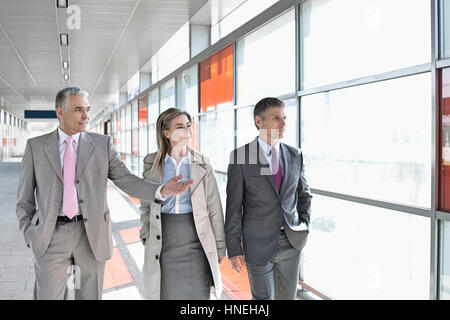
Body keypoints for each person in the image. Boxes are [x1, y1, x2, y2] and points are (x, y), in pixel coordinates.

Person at [16, 87, 193, 300]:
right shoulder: (36, 147)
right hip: (50, 236)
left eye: (87, 109)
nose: (86, 116)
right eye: (78, 109)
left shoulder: (102, 145)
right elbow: (24, 200)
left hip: (91, 235)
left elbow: (126, 180)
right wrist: (30, 234)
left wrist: (161, 189)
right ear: (60, 112)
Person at [225, 97, 312, 300]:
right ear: (259, 121)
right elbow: (234, 206)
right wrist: (234, 247)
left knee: (287, 298)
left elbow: (304, 194)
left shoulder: (295, 154)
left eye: (284, 118)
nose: (283, 124)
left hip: (291, 241)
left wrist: (304, 224)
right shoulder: (240, 157)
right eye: (276, 118)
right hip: (257, 243)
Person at [139, 108, 226, 300]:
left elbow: (214, 209)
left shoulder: (203, 164)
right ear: (166, 133)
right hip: (164, 243)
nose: (187, 130)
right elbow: (145, 204)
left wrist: (220, 246)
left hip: (196, 242)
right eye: (180, 126)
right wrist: (146, 234)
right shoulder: (151, 163)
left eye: (188, 125)